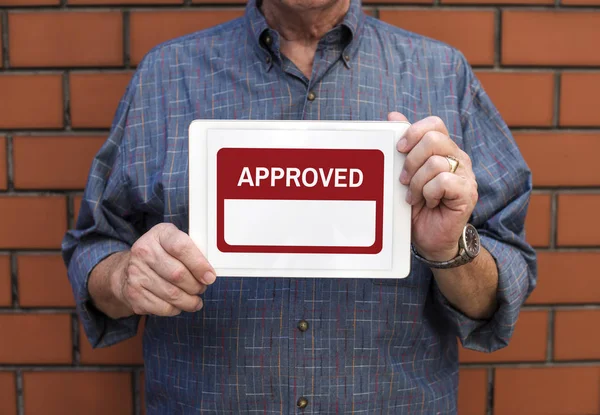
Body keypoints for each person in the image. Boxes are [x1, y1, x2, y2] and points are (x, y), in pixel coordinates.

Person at [62, 0, 537, 412]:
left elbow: (497, 292)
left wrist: (449, 249)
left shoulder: (441, 74)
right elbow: (94, 246)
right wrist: (125, 276)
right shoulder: (168, 75)